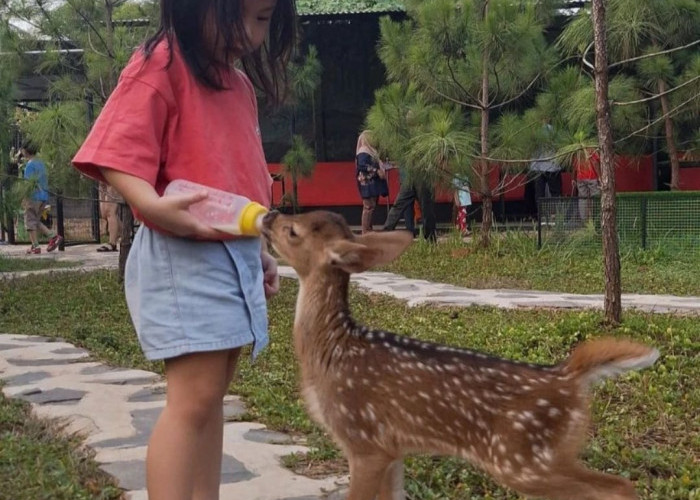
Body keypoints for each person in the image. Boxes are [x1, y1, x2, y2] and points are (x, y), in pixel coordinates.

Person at [71, 1, 294, 499]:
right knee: (191, 402)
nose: (251, 34)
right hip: (184, 255)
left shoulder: (237, 85)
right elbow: (117, 148)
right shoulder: (163, 62)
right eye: (241, 16)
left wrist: (258, 250)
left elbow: (238, 184)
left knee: (209, 399)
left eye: (263, 20)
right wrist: (151, 203)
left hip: (229, 255)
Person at [19, 141, 63, 254]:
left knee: (29, 222)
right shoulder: (41, 163)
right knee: (35, 221)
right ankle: (50, 238)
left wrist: (24, 198)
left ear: (25, 150)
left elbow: (28, 184)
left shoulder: (29, 165)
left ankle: (38, 245)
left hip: (33, 197)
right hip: (43, 197)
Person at [383, 171, 437, 242]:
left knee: (399, 206)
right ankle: (430, 238)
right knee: (426, 208)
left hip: (409, 176)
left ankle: (385, 233)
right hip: (420, 175)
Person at [355, 130, 388, 234]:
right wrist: (376, 170)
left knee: (372, 206)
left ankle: (369, 228)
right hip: (367, 183)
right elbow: (362, 166)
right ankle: (366, 231)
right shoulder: (363, 151)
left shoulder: (371, 151)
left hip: (373, 182)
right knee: (368, 206)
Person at [529, 122, 562, 217]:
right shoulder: (555, 130)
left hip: (537, 167)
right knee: (555, 193)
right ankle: (556, 216)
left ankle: (541, 217)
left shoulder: (533, 131)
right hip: (552, 166)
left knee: (539, 193)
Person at [574, 148, 601, 223]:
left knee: (583, 199)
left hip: (580, 178)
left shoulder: (578, 149)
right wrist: (599, 176)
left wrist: (573, 178)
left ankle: (584, 221)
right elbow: (595, 163)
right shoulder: (592, 149)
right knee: (595, 198)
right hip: (591, 177)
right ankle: (596, 219)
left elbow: (574, 166)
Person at [97, 182, 123, 252]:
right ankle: (127, 235)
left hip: (113, 178)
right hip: (102, 180)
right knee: (104, 214)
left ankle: (112, 243)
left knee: (110, 211)